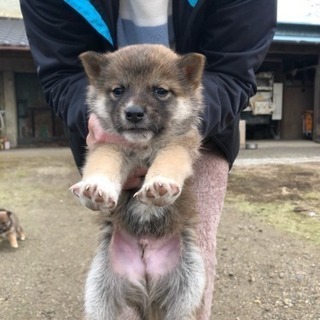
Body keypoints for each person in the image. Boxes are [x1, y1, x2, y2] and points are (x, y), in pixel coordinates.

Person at [20, 0, 277, 318]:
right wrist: (100, 176)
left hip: (203, 124)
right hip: (103, 133)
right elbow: (61, 72)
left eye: (158, 92)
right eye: (118, 92)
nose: (134, 106)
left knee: (194, 269)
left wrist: (171, 158)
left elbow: (234, 71)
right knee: (114, 292)